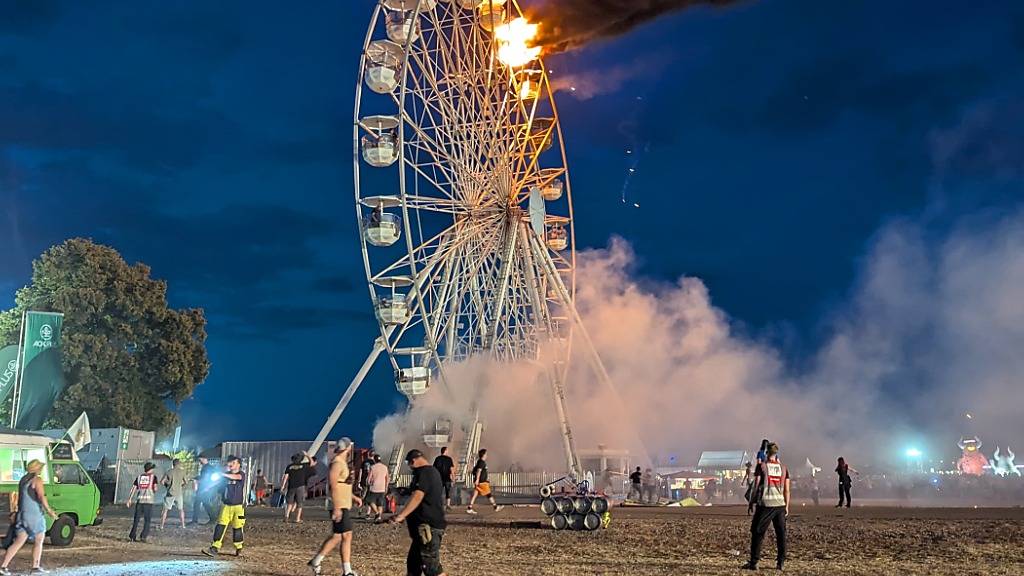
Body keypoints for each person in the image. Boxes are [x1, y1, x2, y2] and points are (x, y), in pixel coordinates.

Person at [308, 438, 362, 576]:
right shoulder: (337, 463)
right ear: (348, 448)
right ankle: (347, 571)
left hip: (343, 503)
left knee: (337, 536)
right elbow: (333, 485)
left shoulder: (342, 463)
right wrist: (337, 507)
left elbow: (341, 485)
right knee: (347, 536)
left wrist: (353, 497)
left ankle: (316, 561)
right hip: (339, 505)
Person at [389, 449, 447, 576]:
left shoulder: (425, 472)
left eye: (409, 464)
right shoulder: (430, 472)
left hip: (428, 528)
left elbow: (417, 496)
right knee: (413, 566)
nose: (410, 468)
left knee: (432, 568)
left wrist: (401, 516)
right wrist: (401, 491)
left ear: (413, 460)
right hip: (421, 531)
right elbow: (415, 492)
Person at [0, 460, 58, 574]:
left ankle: (3, 566)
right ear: (37, 469)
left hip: (22, 514)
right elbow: (41, 496)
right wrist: (49, 510)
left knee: (19, 541)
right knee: (39, 539)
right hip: (34, 514)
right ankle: (35, 567)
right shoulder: (37, 480)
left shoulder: (23, 480)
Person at [742, 442, 790, 571]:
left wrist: (751, 502)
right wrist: (787, 506)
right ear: (776, 453)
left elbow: (756, 486)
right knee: (781, 534)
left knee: (757, 532)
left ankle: (754, 562)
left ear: (767, 453)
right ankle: (780, 563)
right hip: (780, 504)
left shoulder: (761, 466)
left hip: (765, 504)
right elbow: (787, 490)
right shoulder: (784, 468)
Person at [202, 456, 247, 557]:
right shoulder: (226, 475)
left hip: (238, 507)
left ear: (239, 464)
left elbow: (236, 477)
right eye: (230, 463)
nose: (231, 465)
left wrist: (222, 474)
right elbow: (217, 484)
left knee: (238, 527)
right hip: (226, 506)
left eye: (234, 463)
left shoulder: (241, 474)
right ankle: (214, 547)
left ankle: (239, 548)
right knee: (220, 526)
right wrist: (207, 488)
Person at [127, 462, 158, 542]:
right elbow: (155, 488)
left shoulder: (139, 477)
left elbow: (133, 488)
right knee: (147, 520)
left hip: (140, 501)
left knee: (136, 520)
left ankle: (132, 535)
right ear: (150, 469)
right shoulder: (153, 477)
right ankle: (143, 536)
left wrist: (129, 499)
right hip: (148, 501)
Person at [466, 449, 503, 514]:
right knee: (489, 494)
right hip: (482, 482)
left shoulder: (480, 462)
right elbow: (479, 471)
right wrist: (477, 479)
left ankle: (469, 508)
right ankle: (495, 507)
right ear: (483, 455)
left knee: (475, 494)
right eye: (486, 454)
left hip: (480, 482)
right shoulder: (481, 462)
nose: (487, 455)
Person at [282, 452, 312, 523]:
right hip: (300, 486)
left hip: (291, 486)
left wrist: (283, 486)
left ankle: (286, 516)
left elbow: (285, 477)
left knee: (289, 502)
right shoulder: (303, 466)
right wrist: (307, 455)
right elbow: (312, 463)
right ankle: (297, 519)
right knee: (299, 503)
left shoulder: (289, 466)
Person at [161, 459, 188, 529]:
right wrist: (180, 486)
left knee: (165, 510)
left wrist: (167, 486)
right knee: (181, 509)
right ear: (179, 464)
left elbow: (162, 482)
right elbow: (186, 482)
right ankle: (183, 525)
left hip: (170, 493)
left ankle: (162, 525)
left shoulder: (169, 471)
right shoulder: (182, 472)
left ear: (173, 464)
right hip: (179, 493)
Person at [190, 456, 217, 525]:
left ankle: (196, 520)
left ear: (205, 459)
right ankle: (212, 519)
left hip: (204, 488)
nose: (199, 461)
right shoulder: (208, 467)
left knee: (199, 503)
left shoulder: (207, 468)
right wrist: (196, 478)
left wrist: (197, 480)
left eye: (200, 460)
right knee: (204, 503)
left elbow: (205, 478)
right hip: (206, 488)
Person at [365, 455, 389, 522]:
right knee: (380, 503)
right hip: (382, 488)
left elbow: (368, 479)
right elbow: (387, 478)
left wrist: (368, 483)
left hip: (374, 488)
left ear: (374, 460)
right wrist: (386, 486)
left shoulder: (372, 467)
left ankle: (377, 513)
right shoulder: (385, 467)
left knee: (370, 501)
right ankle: (379, 517)